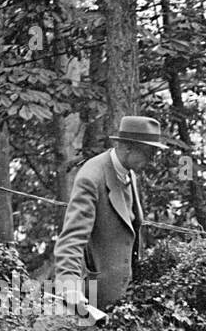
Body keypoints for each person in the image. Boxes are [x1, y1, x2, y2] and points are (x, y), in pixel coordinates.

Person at [54, 115, 167, 312]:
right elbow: (72, 237)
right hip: (92, 301)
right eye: (148, 152)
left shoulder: (129, 173)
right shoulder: (92, 176)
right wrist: (69, 286)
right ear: (128, 147)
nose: (151, 160)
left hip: (123, 300)